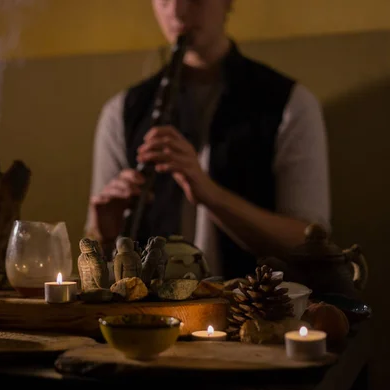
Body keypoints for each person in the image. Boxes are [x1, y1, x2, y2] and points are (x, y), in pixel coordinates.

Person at [84, 0, 330, 279]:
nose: (177, 12)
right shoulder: (122, 111)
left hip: (253, 316)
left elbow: (311, 245)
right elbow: (97, 260)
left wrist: (210, 195)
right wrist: (104, 236)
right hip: (151, 318)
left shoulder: (291, 103)